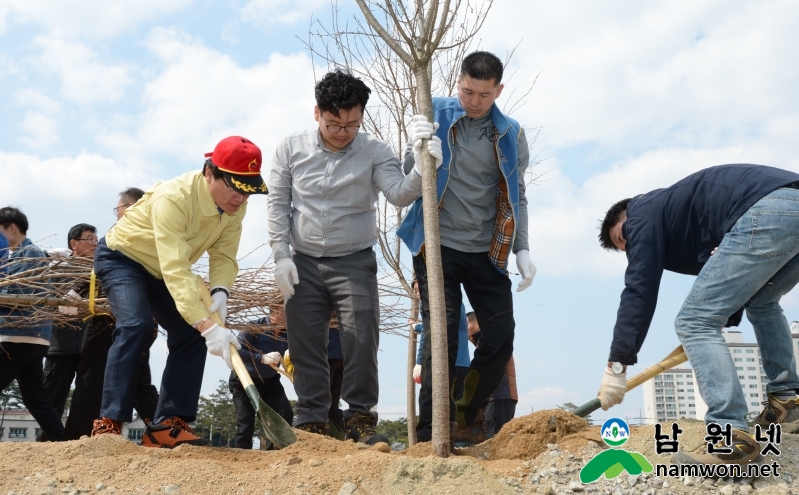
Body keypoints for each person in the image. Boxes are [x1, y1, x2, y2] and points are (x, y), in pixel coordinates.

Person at [267, 70, 435, 444]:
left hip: (354, 261)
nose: (343, 132)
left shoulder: (375, 151)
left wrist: (423, 170)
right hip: (303, 261)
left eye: (352, 124)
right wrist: (281, 256)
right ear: (317, 114)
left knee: (361, 339)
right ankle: (311, 419)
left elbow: (398, 193)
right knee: (306, 340)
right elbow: (278, 205)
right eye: (334, 124)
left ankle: (360, 418)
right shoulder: (290, 149)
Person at [597, 163, 799, 466]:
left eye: (622, 238)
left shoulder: (641, 215)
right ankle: (787, 400)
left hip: (767, 209)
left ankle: (728, 434)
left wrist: (617, 363)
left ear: (625, 218)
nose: (629, 247)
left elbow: (639, 289)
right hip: (788, 205)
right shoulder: (686, 218)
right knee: (763, 302)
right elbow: (733, 290)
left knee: (693, 321)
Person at [91, 136, 267, 448]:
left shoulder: (235, 206)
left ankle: (167, 426)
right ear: (210, 174)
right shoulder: (173, 197)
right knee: (136, 325)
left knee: (189, 334)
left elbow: (224, 255)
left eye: (247, 190)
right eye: (234, 187)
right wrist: (207, 324)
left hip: (163, 268)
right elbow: (176, 267)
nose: (240, 198)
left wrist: (221, 291)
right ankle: (109, 423)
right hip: (124, 258)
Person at [397, 51, 535, 445]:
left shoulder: (511, 133)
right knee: (441, 335)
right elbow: (411, 177)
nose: (473, 102)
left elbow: (517, 193)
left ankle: (464, 411)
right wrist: (415, 146)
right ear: (458, 82)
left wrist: (522, 248)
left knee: (501, 334)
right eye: (467, 91)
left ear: (499, 91)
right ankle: (428, 433)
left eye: (484, 95)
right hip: (436, 244)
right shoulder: (435, 110)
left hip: (486, 250)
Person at [62, 189, 161, 440]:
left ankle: (79, 435)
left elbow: (105, 271)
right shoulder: (158, 234)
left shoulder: (124, 234)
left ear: (129, 208)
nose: (117, 215)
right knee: (138, 380)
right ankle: (161, 430)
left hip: (113, 321)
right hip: (144, 322)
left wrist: (74, 294)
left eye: (118, 209)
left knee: (92, 378)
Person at [0, 207, 65, 441]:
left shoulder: (27, 255)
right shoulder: (22, 254)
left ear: (11, 228)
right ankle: (61, 441)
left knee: (34, 397)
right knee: (35, 398)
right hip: (31, 338)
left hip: (18, 334)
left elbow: (15, 296)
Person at [42, 223, 98, 420]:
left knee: (86, 402)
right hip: (60, 347)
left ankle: (76, 441)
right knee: (51, 399)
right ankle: (46, 443)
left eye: (96, 239)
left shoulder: (99, 272)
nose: (94, 243)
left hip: (88, 348)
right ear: (74, 243)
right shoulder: (57, 270)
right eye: (89, 239)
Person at [230, 313, 293, 450]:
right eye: (282, 311)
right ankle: (242, 458)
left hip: (270, 381)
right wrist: (262, 358)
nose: (286, 316)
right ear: (273, 312)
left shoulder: (289, 334)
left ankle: (275, 453)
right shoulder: (253, 328)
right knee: (245, 423)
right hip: (245, 381)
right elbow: (236, 351)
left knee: (285, 413)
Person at [465, 312, 517, 437]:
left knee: (495, 436)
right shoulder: (489, 340)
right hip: (501, 396)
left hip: (500, 396)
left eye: (466, 324)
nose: (464, 329)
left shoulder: (489, 338)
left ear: (478, 322)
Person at [413, 302, 470, 401]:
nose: (418, 294)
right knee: (458, 406)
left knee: (434, 403)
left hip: (446, 365)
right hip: (464, 364)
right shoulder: (458, 302)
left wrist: (419, 362)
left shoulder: (430, 300)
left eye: (418, 290)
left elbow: (427, 332)